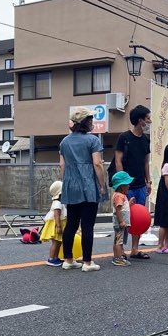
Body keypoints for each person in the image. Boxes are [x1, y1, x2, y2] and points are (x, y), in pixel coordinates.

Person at [60, 107, 106, 271]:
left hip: (70, 185)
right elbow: (97, 164)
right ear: (85, 123)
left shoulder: (64, 142)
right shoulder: (93, 140)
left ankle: (68, 260)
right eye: (90, 120)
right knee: (87, 225)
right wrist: (102, 185)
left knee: (71, 223)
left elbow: (62, 165)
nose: (92, 123)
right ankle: (87, 262)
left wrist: (66, 183)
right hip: (88, 185)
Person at [114, 104, 152, 260]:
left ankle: (135, 249)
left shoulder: (145, 139)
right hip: (126, 186)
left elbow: (146, 163)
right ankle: (120, 250)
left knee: (138, 217)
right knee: (123, 218)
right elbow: (118, 161)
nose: (150, 121)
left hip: (141, 185)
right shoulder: (124, 138)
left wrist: (148, 181)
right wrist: (121, 186)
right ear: (140, 120)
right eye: (148, 118)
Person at [153, 144, 168, 253]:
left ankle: (167, 244)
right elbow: (167, 184)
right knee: (164, 222)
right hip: (165, 196)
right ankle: (160, 245)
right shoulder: (167, 166)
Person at [110, 170, 133, 266]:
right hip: (120, 223)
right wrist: (121, 221)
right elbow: (118, 210)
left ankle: (116, 257)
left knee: (116, 240)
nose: (129, 186)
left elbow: (122, 208)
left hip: (118, 223)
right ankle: (119, 258)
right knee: (119, 241)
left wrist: (130, 203)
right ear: (121, 186)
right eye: (127, 184)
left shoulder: (119, 195)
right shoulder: (119, 196)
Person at [40, 180, 66, 267]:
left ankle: (56, 257)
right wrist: (58, 226)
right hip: (56, 224)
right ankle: (51, 258)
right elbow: (56, 215)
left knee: (59, 242)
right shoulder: (57, 203)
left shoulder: (60, 202)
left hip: (60, 223)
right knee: (55, 242)